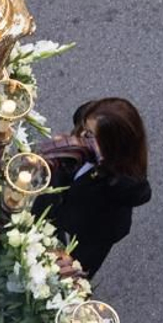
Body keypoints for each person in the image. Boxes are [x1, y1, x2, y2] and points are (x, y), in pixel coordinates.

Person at [32, 97, 150, 279]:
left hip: (86, 231)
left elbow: (138, 196)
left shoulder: (122, 180)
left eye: (90, 136)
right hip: (55, 201)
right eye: (84, 130)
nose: (79, 138)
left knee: (68, 274)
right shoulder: (83, 136)